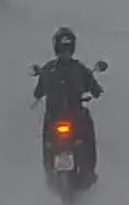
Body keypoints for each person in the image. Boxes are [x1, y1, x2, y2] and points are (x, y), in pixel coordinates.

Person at [33, 26, 103, 181]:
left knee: (48, 141)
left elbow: (37, 93)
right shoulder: (78, 69)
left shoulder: (48, 69)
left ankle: (52, 172)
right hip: (73, 118)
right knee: (85, 132)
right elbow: (95, 89)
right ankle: (87, 169)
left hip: (54, 118)